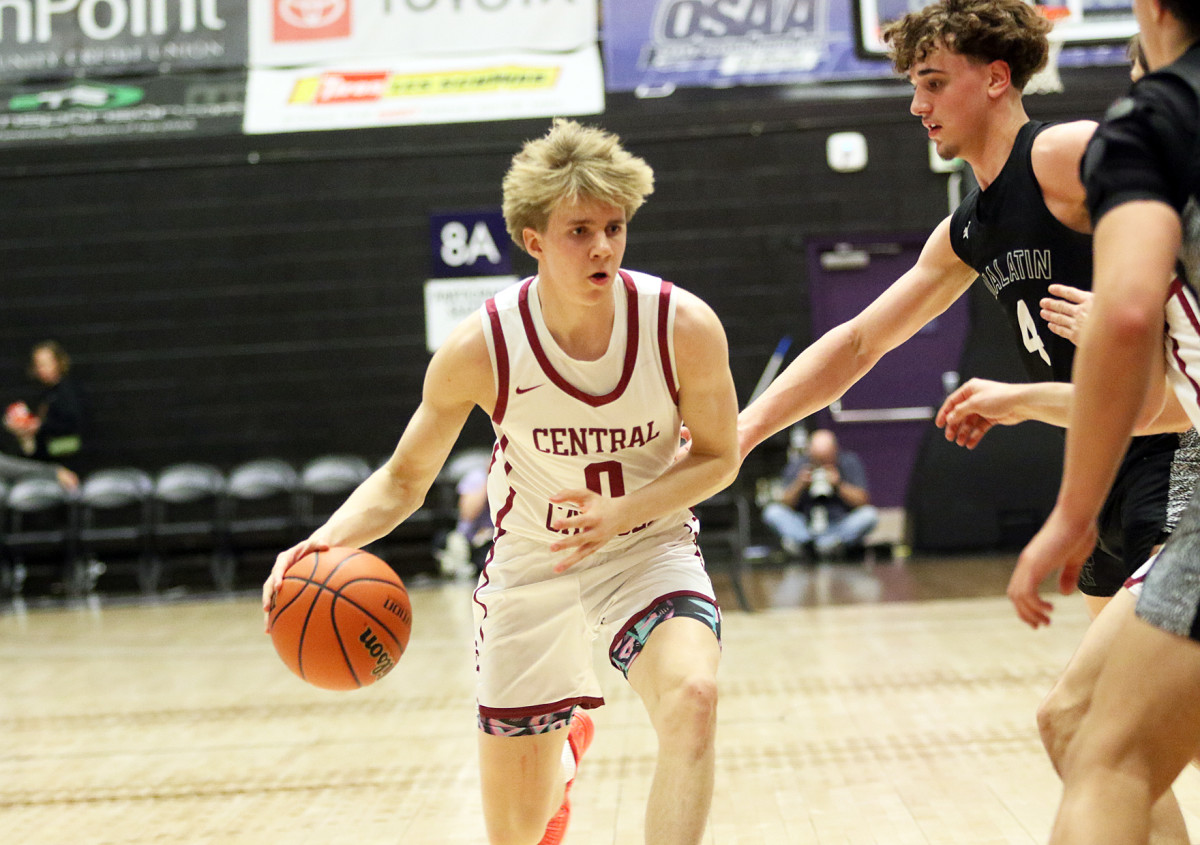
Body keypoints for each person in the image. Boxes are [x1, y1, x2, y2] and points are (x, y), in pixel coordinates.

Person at [734, 3, 1191, 840]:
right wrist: (745, 430)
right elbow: (862, 338)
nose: (919, 105)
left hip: (1179, 454)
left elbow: (1178, 200)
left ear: (997, 78)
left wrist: (1149, 310)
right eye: (914, 85)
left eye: (934, 82)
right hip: (1113, 469)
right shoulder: (972, 224)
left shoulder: (1057, 154)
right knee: (1120, 747)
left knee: (1094, 725)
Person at [262, 118, 740, 845]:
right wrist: (317, 544)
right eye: (580, 229)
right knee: (515, 834)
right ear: (533, 239)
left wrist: (622, 512)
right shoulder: (481, 347)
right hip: (533, 567)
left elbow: (718, 456)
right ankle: (564, 757)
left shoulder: (683, 327)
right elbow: (402, 480)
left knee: (694, 697)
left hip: (647, 550)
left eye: (615, 226)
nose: (603, 246)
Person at [1007, 2, 1200, 841]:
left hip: (1174, 475)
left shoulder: (1155, 118)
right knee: (1074, 716)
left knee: (1099, 746)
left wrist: (1070, 513)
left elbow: (1123, 320)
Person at [760, 427, 878, 560]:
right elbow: (783, 502)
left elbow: (863, 501)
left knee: (869, 515)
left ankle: (826, 545)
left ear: (835, 452)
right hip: (805, 525)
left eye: (826, 460)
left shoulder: (849, 462)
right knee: (772, 512)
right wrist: (800, 484)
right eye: (817, 460)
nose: (822, 465)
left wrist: (839, 485)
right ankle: (810, 545)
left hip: (839, 524)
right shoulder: (798, 464)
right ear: (809, 454)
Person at [4, 341, 87, 468]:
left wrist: (40, 426)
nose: (42, 369)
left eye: (46, 364)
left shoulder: (67, 391)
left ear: (58, 362)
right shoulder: (45, 392)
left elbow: (72, 424)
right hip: (49, 460)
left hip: (66, 460)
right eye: (38, 365)